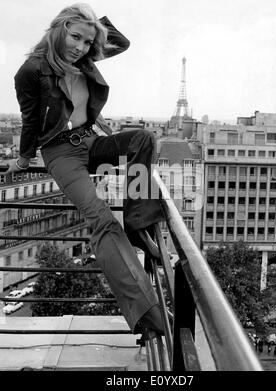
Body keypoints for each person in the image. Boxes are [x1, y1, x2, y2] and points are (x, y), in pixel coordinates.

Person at [4, 3, 166, 336]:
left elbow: (121, 42)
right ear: (57, 28)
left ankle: (138, 222)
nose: (80, 47)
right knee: (101, 219)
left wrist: (92, 27)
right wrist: (22, 160)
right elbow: (30, 120)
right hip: (60, 153)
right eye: (74, 36)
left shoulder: (85, 58)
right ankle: (148, 315)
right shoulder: (31, 70)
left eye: (86, 42)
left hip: (89, 141)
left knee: (143, 139)